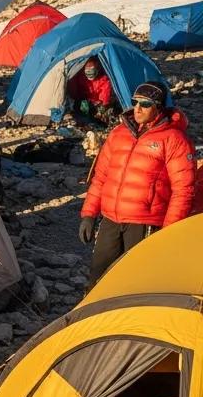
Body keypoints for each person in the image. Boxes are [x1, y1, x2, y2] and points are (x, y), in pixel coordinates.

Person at [79, 80, 195, 285]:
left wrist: (168, 232)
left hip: (144, 223)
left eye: (145, 104)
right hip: (111, 219)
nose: (138, 108)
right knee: (99, 277)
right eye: (135, 102)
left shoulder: (174, 139)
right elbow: (101, 176)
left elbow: (183, 191)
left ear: (158, 107)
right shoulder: (118, 134)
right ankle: (93, 315)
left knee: (135, 280)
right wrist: (89, 214)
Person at [67, 57, 116, 124]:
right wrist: (78, 98)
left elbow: (105, 95)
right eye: (88, 74)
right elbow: (75, 90)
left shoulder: (104, 80)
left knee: (105, 114)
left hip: (98, 103)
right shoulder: (80, 77)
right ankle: (85, 120)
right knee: (83, 109)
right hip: (85, 100)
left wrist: (103, 106)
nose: (90, 77)